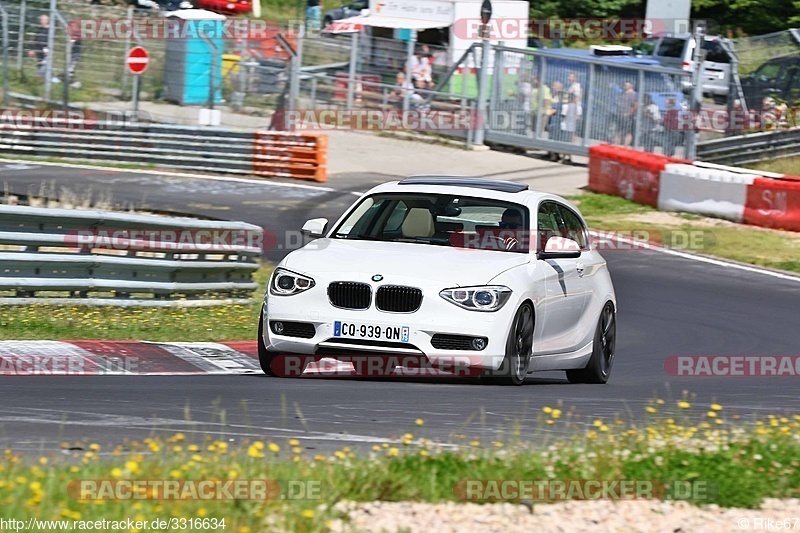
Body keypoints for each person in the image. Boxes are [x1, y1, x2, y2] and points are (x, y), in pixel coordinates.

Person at [29, 14, 59, 84]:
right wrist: (32, 49)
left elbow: (50, 42)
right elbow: (36, 40)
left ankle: (37, 78)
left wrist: (47, 50)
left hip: (46, 52)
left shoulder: (50, 30)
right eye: (40, 19)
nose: (41, 21)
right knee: (41, 66)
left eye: (42, 19)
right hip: (39, 51)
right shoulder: (39, 29)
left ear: (47, 21)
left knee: (44, 66)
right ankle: (45, 81)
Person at [617, 81, 637, 146]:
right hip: (620, 114)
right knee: (619, 131)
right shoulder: (623, 93)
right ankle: (618, 145)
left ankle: (625, 146)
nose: (624, 86)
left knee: (628, 132)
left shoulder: (633, 94)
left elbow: (635, 105)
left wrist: (629, 113)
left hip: (627, 116)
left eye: (626, 85)